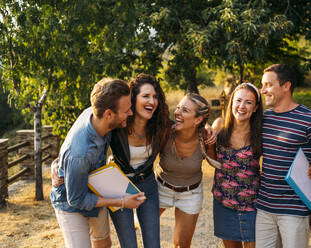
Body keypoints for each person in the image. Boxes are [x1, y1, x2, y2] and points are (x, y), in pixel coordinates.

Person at [50, 78, 145, 248]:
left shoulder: (95, 112)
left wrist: (58, 162)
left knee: (103, 244)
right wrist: (122, 201)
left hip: (94, 187)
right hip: (71, 202)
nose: (131, 113)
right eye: (127, 110)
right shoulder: (80, 154)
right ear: (109, 114)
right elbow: (76, 200)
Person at [255, 64, 311, 248]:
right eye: (262, 85)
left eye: (268, 85)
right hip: (264, 208)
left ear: (286, 86)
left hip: (295, 211)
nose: (263, 90)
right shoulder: (265, 118)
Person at [109, 74, 171, 248]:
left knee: (153, 244)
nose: (152, 101)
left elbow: (185, 125)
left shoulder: (161, 125)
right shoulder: (117, 125)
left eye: (155, 97)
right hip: (118, 186)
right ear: (132, 99)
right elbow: (91, 136)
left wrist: (208, 128)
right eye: (145, 96)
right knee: (129, 244)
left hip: (147, 185)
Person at [156, 93, 217, 248]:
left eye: (184, 110)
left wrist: (212, 129)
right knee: (148, 234)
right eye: (178, 108)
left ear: (197, 120)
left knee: (182, 244)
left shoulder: (205, 138)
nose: (177, 112)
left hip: (190, 194)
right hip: (161, 188)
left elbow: (216, 163)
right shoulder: (165, 132)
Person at [211, 83, 263, 248]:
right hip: (223, 202)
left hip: (252, 205)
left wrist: (309, 163)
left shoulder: (261, 132)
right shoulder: (220, 127)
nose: (242, 106)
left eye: (248, 102)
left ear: (255, 108)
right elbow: (212, 159)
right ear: (231, 102)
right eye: (238, 100)